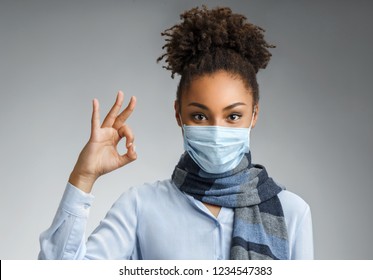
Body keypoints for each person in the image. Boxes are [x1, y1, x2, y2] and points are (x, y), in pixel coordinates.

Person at [39, 6, 313, 260]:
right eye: (199, 116)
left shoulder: (292, 212)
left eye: (232, 116)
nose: (217, 132)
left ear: (254, 115)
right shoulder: (141, 207)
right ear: (178, 114)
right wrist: (83, 176)